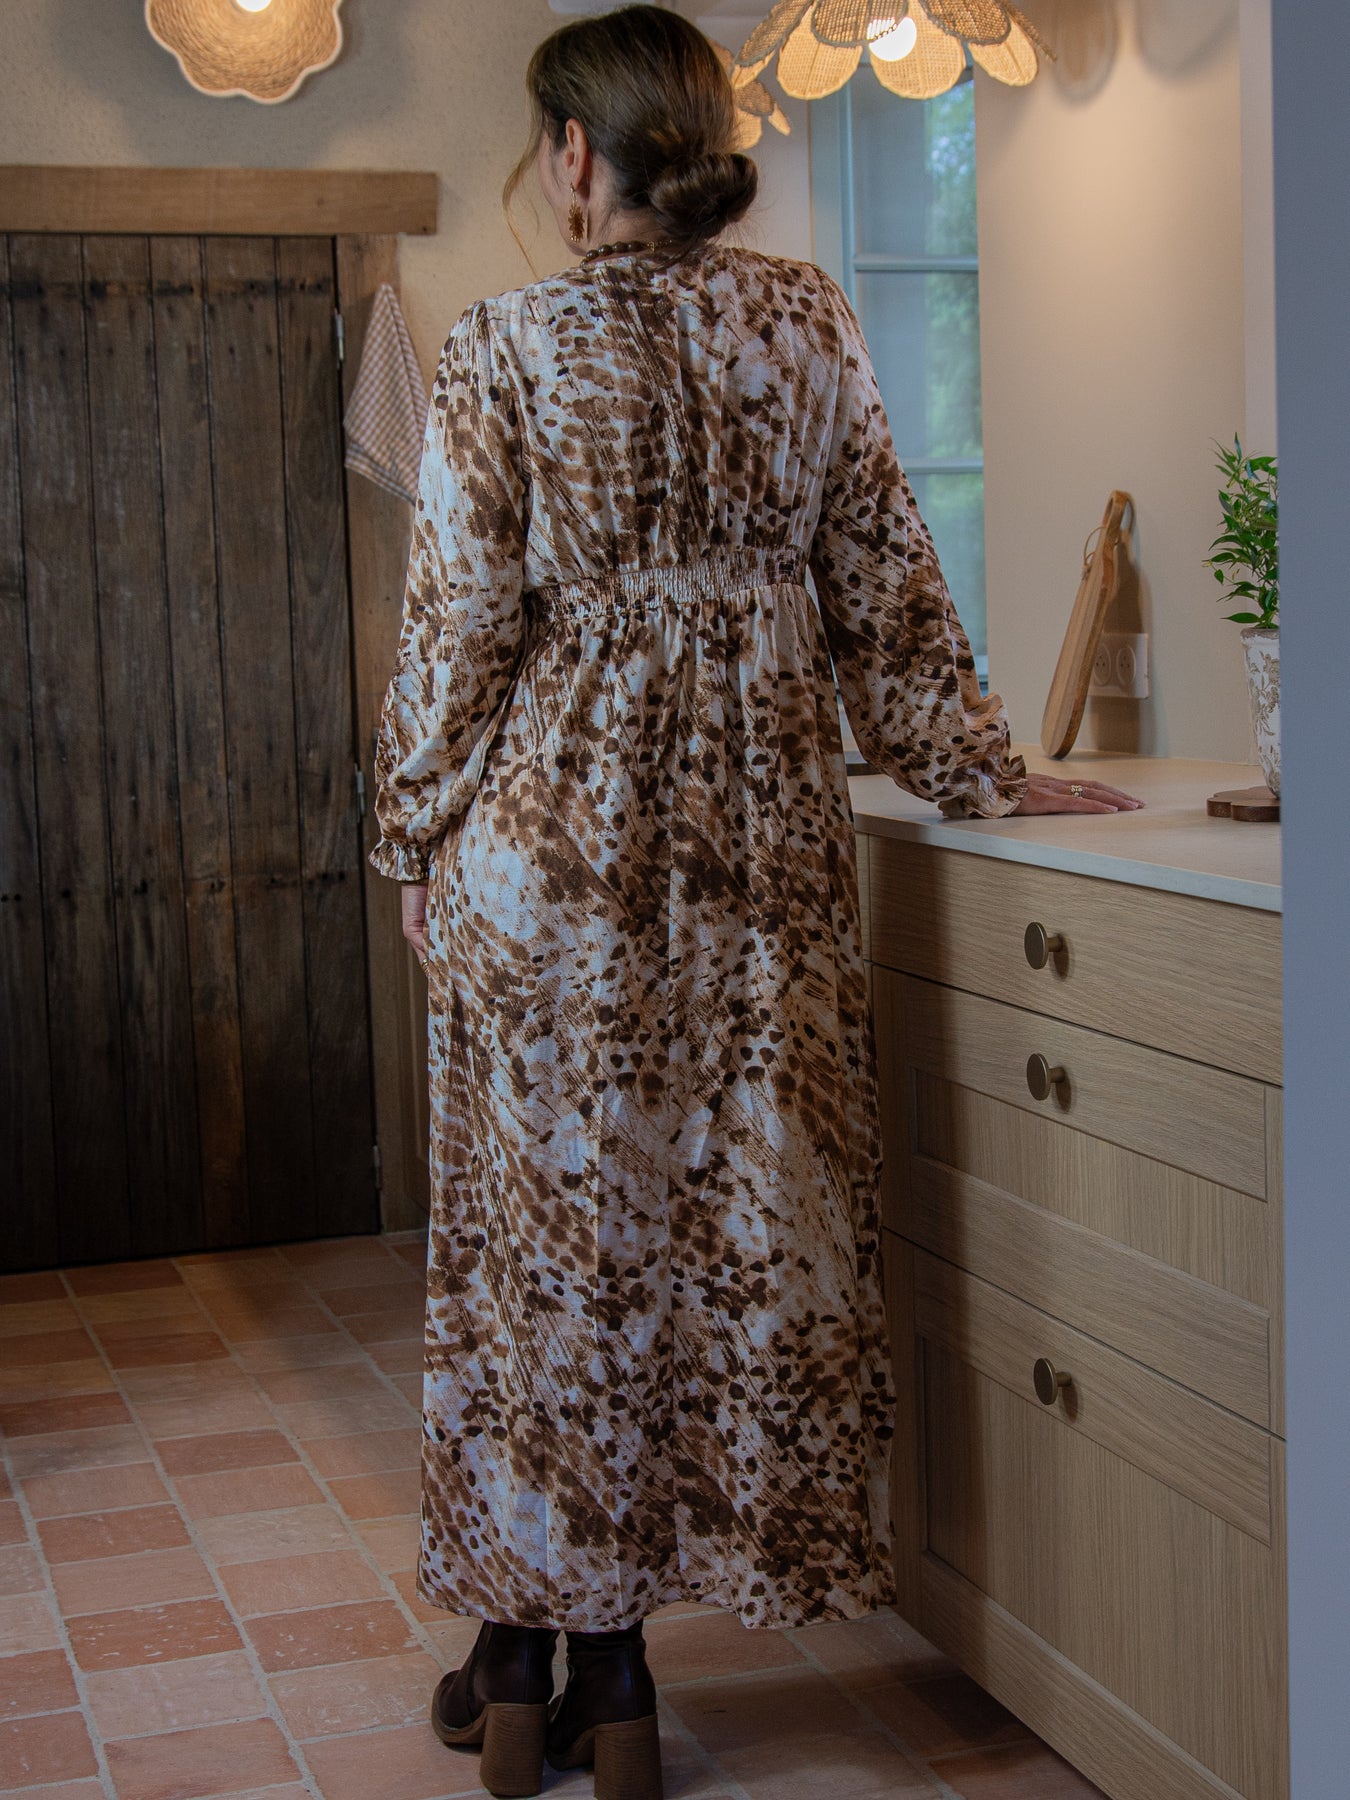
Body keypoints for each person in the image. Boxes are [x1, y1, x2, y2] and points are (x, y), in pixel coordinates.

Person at [369, 9, 1142, 1797]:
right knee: (714, 1246)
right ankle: (612, 1673)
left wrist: (412, 837)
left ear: (576, 152)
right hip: (757, 870)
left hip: (548, 864)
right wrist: (980, 769)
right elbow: (887, 588)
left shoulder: (503, 345)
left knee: (543, 1255)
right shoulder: (807, 324)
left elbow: (456, 633)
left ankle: (526, 1652)